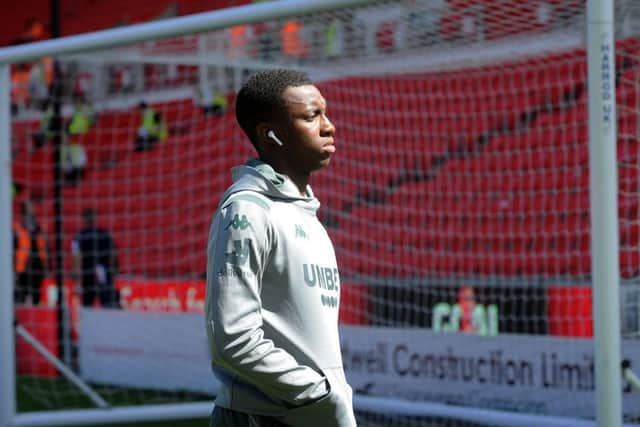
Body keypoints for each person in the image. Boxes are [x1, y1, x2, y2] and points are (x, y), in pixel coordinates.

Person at [205, 69, 355, 427]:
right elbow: (233, 337)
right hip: (262, 418)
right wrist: (317, 393)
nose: (329, 126)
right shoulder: (247, 210)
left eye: (325, 113)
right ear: (270, 134)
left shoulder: (305, 214)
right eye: (311, 116)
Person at [71, 208, 120, 308]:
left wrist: (76, 272)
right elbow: (113, 253)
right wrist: (114, 269)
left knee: (87, 303)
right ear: (95, 218)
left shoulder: (80, 236)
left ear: (84, 219)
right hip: (103, 271)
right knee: (107, 302)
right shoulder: (105, 234)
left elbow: (77, 256)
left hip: (88, 272)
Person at [13, 200, 48, 305]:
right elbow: (14, 248)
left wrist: (46, 265)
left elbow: (45, 248)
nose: (33, 209)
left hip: (38, 266)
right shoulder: (17, 227)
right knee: (22, 296)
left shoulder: (39, 228)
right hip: (23, 267)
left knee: (36, 296)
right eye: (30, 207)